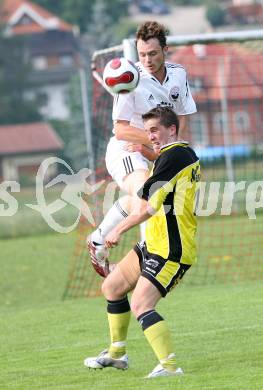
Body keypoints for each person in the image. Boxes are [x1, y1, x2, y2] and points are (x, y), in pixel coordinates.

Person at [84, 107, 201, 378]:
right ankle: (117, 354)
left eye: (155, 130)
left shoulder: (175, 156)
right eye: (148, 131)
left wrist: (117, 230)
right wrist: (148, 153)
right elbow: (159, 187)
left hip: (172, 249)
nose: (151, 135)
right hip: (155, 243)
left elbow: (145, 206)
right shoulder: (178, 155)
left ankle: (170, 367)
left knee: (141, 305)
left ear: (172, 129)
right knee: (112, 287)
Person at [87, 20, 197, 277]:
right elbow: (121, 129)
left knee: (148, 201)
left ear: (165, 50)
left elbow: (183, 116)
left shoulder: (178, 74)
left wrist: (174, 149)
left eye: (153, 53)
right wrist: (156, 142)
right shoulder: (130, 78)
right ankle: (109, 245)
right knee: (146, 198)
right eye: (142, 54)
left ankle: (99, 240)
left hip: (152, 152)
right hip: (126, 151)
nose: (146, 59)